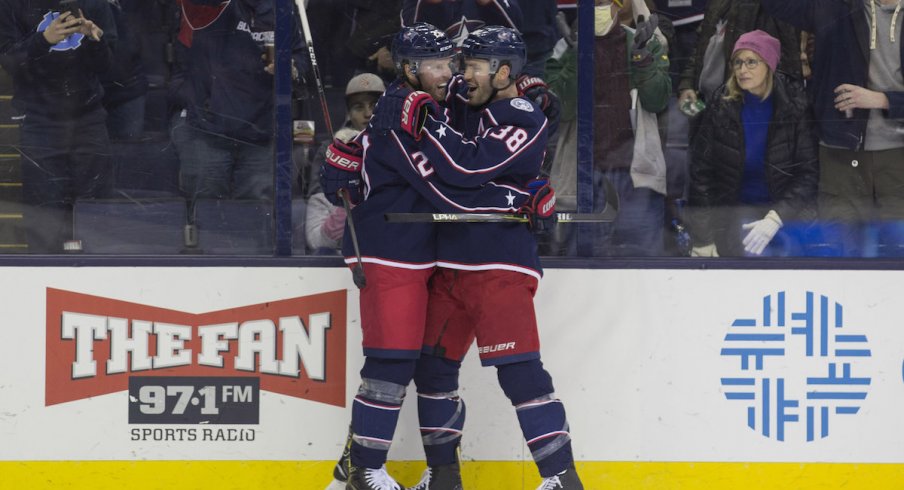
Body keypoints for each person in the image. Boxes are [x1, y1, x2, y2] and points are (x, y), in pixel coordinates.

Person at [321, 23, 538, 490]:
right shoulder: (403, 110)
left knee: (421, 366)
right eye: (436, 65)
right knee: (390, 363)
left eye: (451, 63)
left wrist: (523, 90)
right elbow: (450, 186)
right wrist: (512, 201)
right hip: (387, 251)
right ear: (407, 70)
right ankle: (364, 471)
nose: (449, 74)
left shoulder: (428, 102)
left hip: (421, 256)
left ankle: (390, 470)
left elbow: (479, 94)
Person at [389, 26, 581, 490]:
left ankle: (562, 478)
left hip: (499, 266)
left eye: (473, 66)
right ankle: (444, 477)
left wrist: (431, 126)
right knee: (431, 369)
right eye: (463, 65)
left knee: (519, 372)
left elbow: (466, 169)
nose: (462, 75)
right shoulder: (470, 100)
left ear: (505, 72)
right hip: (450, 263)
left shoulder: (519, 112)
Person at [761, 0, 904, 256]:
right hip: (839, 152)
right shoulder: (836, 6)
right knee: (839, 255)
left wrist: (883, 100)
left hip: (897, 155)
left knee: (898, 252)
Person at [172, 0, 306, 229]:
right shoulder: (208, 8)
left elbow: (300, 55)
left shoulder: (281, 7)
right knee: (206, 211)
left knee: (257, 215)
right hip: (208, 129)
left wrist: (291, 67)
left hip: (261, 130)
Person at [0, 0, 117, 253]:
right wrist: (43, 40)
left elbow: (110, 69)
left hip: (88, 119)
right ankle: (46, 284)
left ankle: (102, 283)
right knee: (44, 220)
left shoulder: (95, 4)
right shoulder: (12, 5)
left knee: (97, 215)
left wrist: (94, 40)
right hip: (39, 121)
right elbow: (9, 63)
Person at [688, 30, 818, 257]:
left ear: (769, 64)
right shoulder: (721, 104)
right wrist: (703, 238)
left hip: (785, 214)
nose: (742, 69)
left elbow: (808, 174)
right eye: (737, 62)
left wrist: (776, 217)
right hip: (735, 213)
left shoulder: (794, 103)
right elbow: (702, 174)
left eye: (751, 62)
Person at [305, 73, 385, 254]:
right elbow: (321, 201)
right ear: (348, 114)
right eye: (359, 107)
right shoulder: (330, 148)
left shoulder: (405, 146)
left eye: (375, 106)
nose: (368, 113)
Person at [677, 0, 801, 112]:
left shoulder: (773, 7)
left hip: (744, 108)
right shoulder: (717, 3)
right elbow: (701, 44)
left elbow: (785, 57)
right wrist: (688, 84)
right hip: (707, 104)